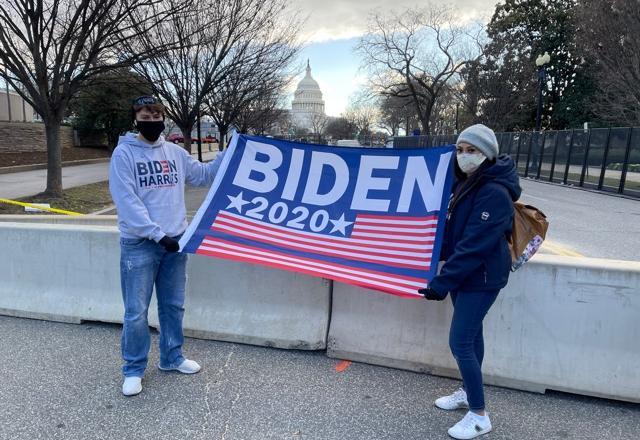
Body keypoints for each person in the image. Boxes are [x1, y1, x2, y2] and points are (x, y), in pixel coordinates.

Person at [109, 96, 226, 397]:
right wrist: (158, 235)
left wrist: (231, 153)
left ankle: (172, 358)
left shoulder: (175, 152)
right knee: (136, 311)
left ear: (164, 117)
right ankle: (133, 369)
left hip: (176, 244)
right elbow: (128, 202)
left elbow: (202, 176)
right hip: (140, 245)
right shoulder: (124, 155)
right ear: (135, 118)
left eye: (156, 115)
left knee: (173, 306)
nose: (151, 121)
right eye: (145, 116)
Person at [418, 124, 521, 439]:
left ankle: (479, 415)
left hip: (482, 277)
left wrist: (442, 281)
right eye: (460, 149)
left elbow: (475, 244)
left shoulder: (494, 192)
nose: (464, 156)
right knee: (472, 337)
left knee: (460, 342)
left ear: (487, 153)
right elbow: (453, 231)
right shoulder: (466, 183)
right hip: (465, 275)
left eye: (472, 150)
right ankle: (467, 392)